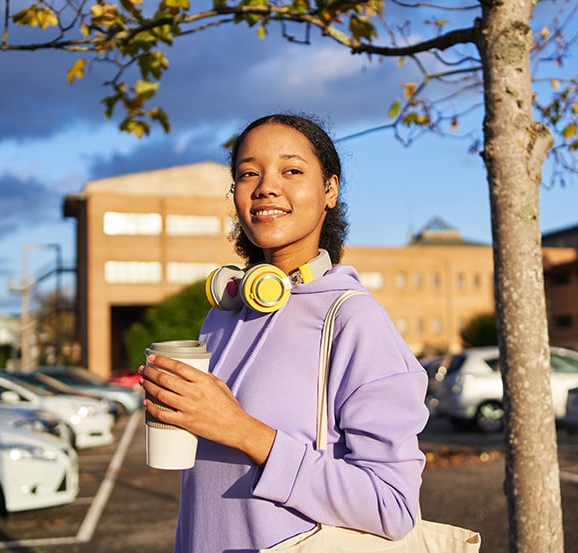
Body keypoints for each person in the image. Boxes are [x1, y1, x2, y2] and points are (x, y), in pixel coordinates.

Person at [140, 113, 429, 552]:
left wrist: (242, 431)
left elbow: (392, 506)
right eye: (248, 173)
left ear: (329, 190)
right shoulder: (222, 316)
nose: (266, 187)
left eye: (291, 170)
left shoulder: (353, 320)